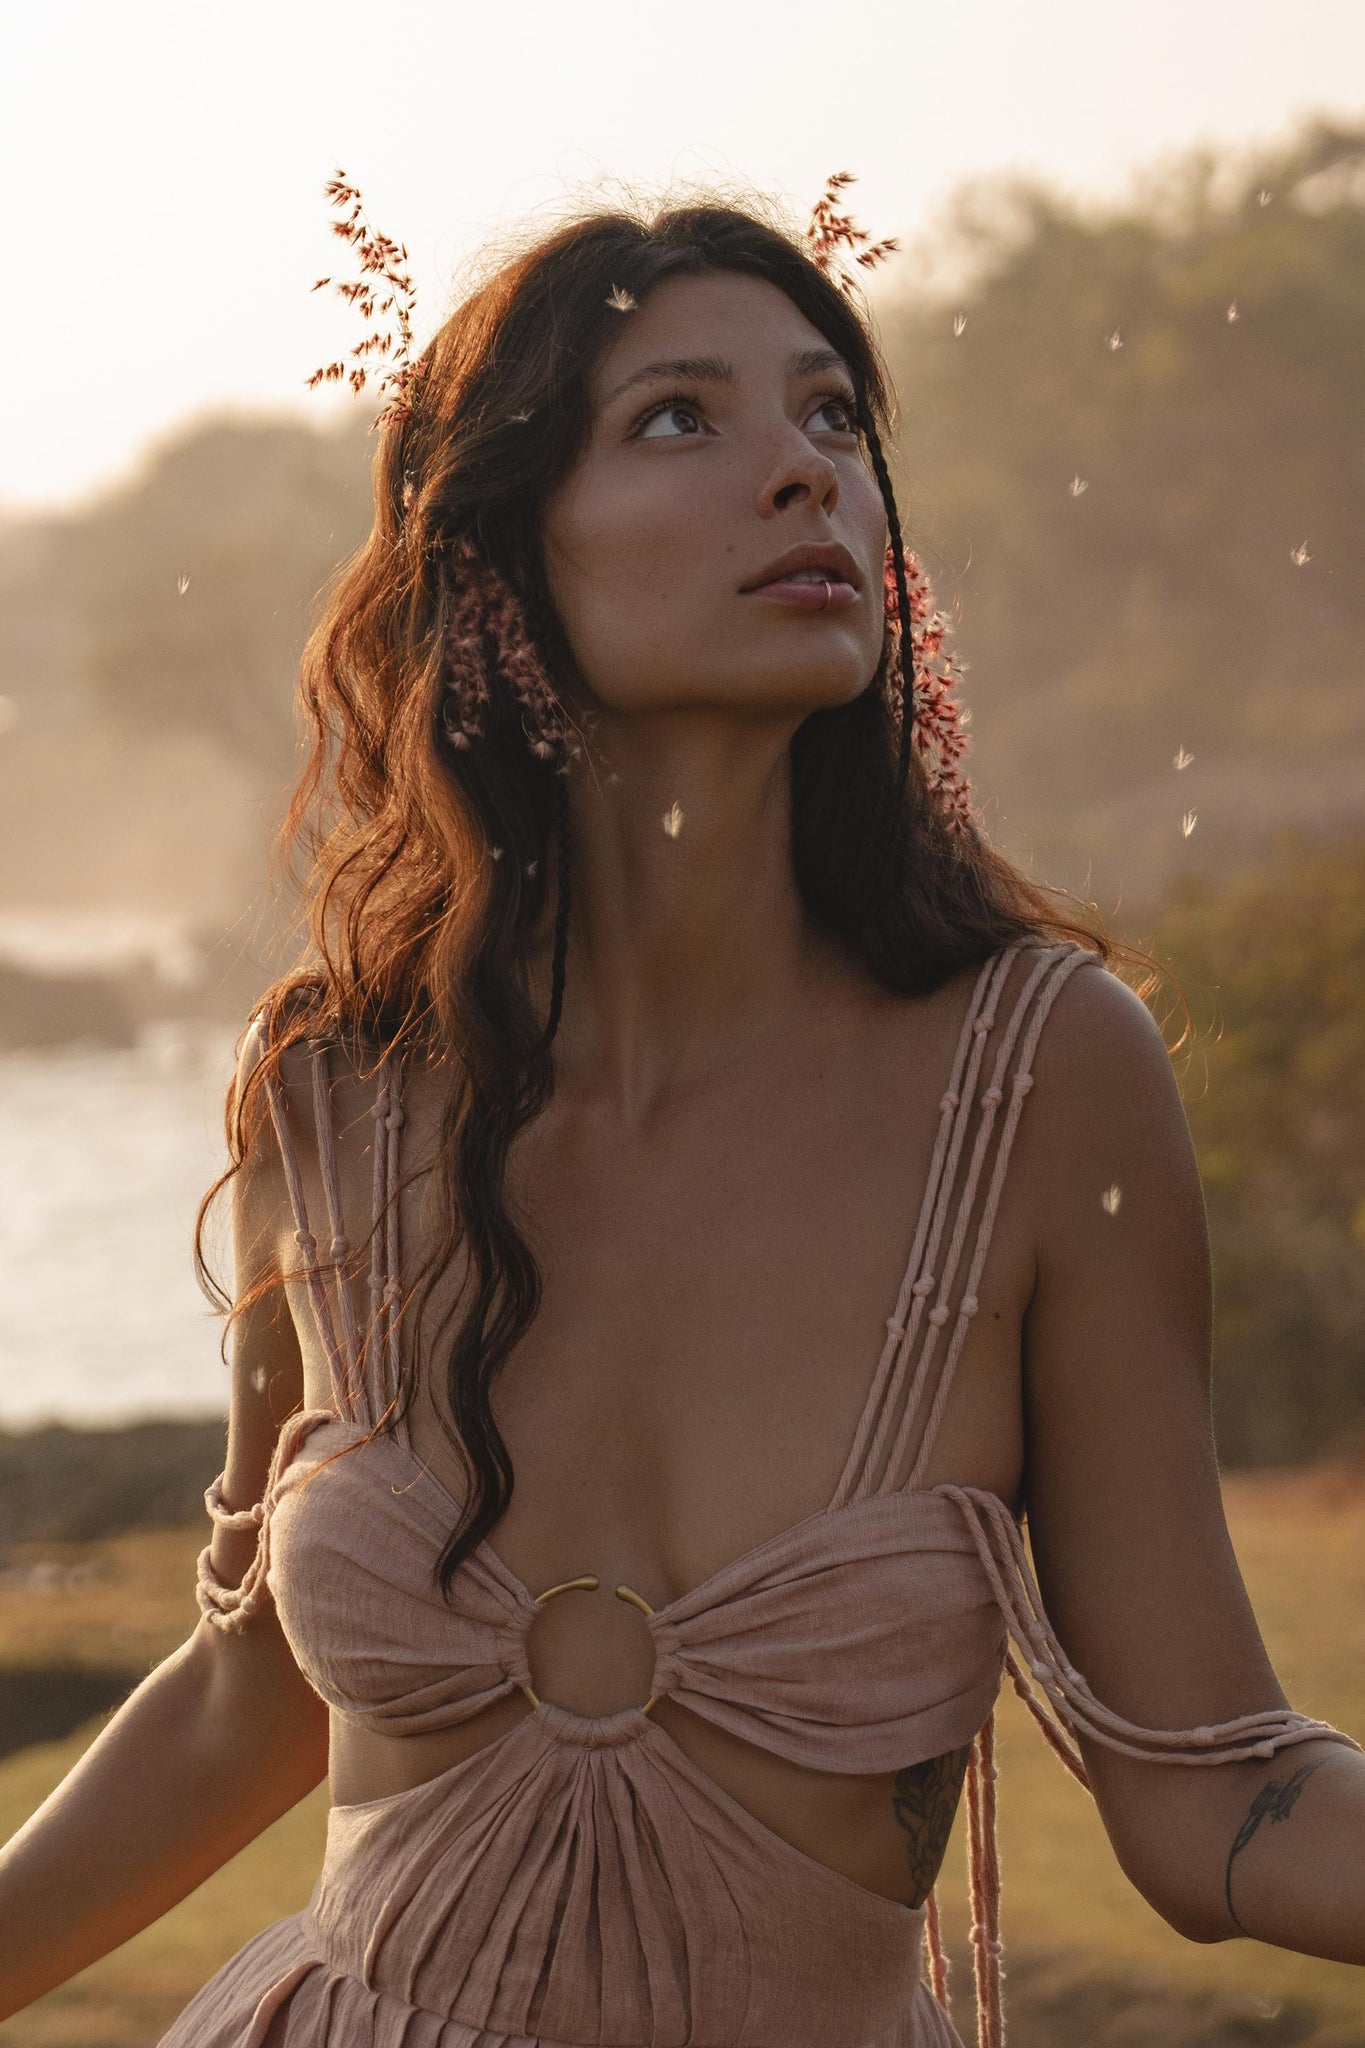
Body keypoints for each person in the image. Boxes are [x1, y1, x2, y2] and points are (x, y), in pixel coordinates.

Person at [0, 192, 1360, 2048]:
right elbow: (256, 1691)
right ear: (496, 556)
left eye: (831, 419)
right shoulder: (334, 1087)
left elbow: (1209, 1797)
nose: (804, 476)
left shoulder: (1039, 1073)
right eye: (679, 419)